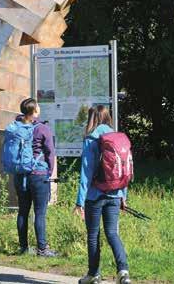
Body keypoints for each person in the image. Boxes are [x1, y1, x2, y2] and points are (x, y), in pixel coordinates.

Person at [74, 106, 131, 284]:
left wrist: (79, 201)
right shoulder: (118, 138)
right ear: (108, 117)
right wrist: (123, 196)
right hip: (115, 193)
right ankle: (123, 271)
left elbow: (86, 172)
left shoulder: (91, 139)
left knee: (93, 235)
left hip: (94, 195)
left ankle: (94, 275)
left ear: (92, 119)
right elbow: (125, 171)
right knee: (112, 233)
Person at [14, 98, 57, 257]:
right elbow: (50, 153)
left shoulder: (16, 127)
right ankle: (42, 249)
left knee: (23, 211)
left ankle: (24, 248)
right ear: (34, 111)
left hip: (20, 175)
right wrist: (49, 172)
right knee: (40, 213)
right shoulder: (43, 129)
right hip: (39, 176)